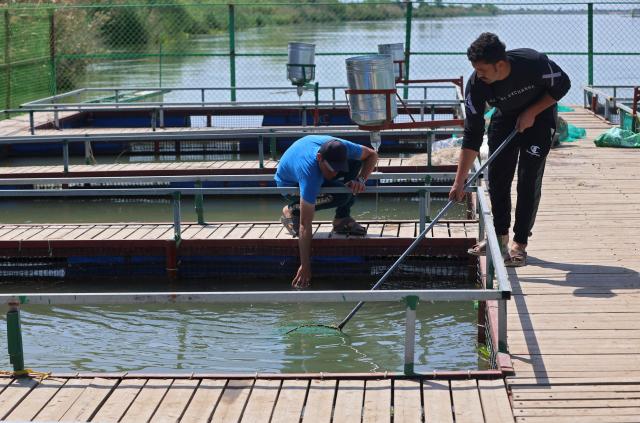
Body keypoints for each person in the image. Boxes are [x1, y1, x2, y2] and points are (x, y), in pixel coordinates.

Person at [449, 33, 570, 267]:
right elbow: (472, 135)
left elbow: (563, 85)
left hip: (540, 116)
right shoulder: (476, 86)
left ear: (501, 64)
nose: (478, 75)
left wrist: (533, 111)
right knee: (497, 178)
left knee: (528, 178)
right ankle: (499, 237)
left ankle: (520, 244)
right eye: (476, 70)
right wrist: (459, 181)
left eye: (483, 70)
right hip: (505, 118)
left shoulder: (533, 63)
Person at [275, 135, 378, 288]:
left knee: (356, 163)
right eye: (332, 168)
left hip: (313, 164)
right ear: (319, 158)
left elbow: (372, 155)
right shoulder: (309, 173)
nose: (336, 173)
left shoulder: (344, 148)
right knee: (341, 195)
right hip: (290, 184)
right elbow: (305, 224)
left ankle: (342, 219)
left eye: (339, 168)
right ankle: (292, 210)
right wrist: (305, 266)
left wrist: (360, 180)